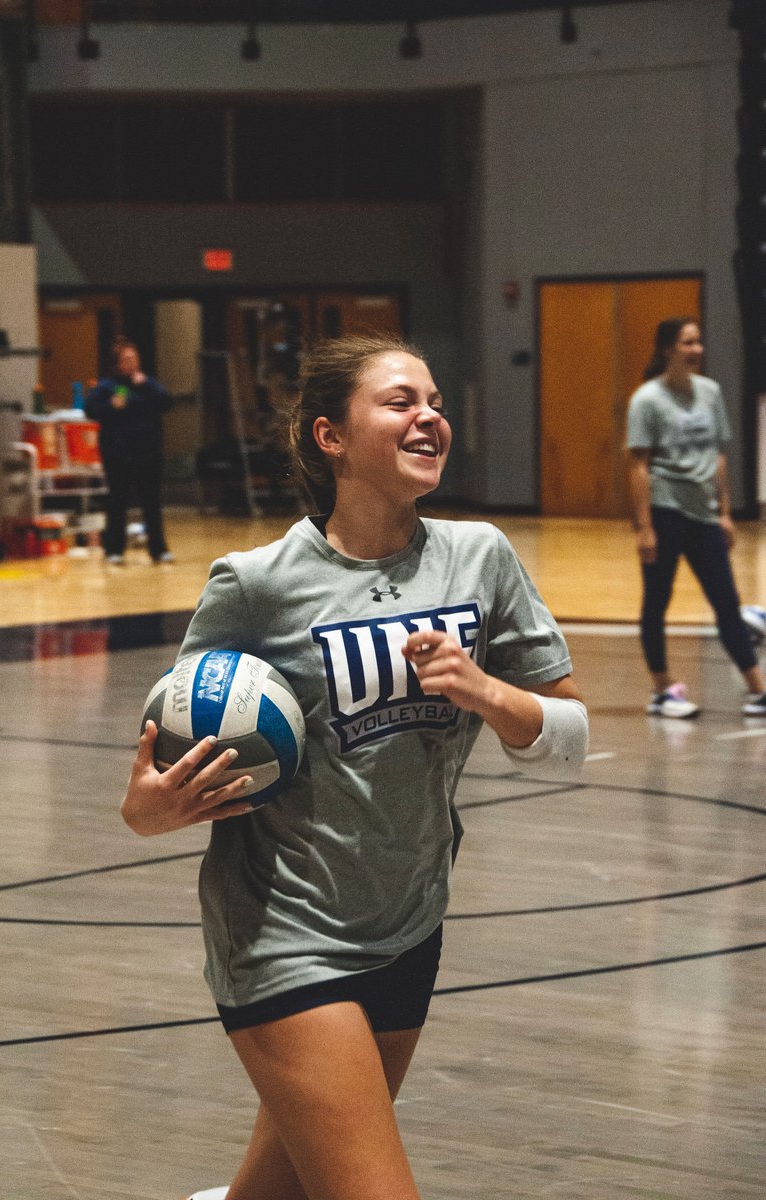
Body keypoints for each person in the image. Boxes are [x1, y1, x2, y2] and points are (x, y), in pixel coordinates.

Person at [121, 334, 589, 1200]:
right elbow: (155, 784)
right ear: (330, 436)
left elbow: (569, 733)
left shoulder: (480, 557)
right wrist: (154, 809)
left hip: (409, 921)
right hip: (284, 933)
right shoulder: (256, 584)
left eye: (435, 402)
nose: (429, 418)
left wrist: (484, 690)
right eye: (401, 401)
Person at [627, 317, 766, 719]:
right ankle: (661, 690)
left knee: (726, 600)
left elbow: (717, 456)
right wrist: (645, 527)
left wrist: (724, 512)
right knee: (657, 600)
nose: (697, 349)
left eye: (699, 341)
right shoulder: (647, 400)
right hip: (665, 509)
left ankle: (758, 690)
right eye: (688, 342)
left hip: (703, 514)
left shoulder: (710, 392)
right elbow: (638, 465)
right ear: (667, 349)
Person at [84, 338, 174, 565]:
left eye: (134, 358)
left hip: (148, 453)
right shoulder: (107, 387)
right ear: (117, 363)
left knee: (151, 502)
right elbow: (90, 409)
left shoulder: (148, 385)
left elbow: (167, 402)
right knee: (117, 502)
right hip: (118, 454)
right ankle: (114, 550)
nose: (132, 363)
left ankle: (158, 550)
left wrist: (147, 385)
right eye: (126, 359)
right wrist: (110, 406)